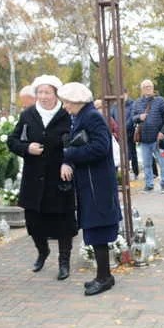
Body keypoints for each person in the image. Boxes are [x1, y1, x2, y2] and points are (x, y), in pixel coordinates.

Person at [7, 74, 76, 281]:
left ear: (56, 94)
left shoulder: (66, 115)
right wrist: (26, 148)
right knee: (34, 222)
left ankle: (64, 261)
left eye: (47, 92)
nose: (43, 96)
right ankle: (42, 250)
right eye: (39, 92)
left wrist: (68, 162)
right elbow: (12, 140)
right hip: (34, 178)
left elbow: (76, 143)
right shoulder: (29, 114)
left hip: (59, 177)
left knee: (63, 223)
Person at [58, 82, 122, 296]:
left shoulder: (91, 117)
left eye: (66, 102)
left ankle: (104, 277)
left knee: (98, 229)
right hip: (92, 183)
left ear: (76, 101)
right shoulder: (84, 116)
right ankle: (104, 275)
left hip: (98, 184)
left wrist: (69, 154)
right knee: (95, 229)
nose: (65, 106)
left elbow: (101, 147)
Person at [131, 79, 164, 193]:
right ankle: (149, 185)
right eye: (145, 87)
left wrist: (163, 132)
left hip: (159, 139)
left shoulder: (160, 101)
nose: (148, 89)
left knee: (163, 162)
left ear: (153, 88)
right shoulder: (137, 102)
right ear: (142, 89)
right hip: (144, 139)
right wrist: (139, 117)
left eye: (150, 86)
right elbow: (132, 118)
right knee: (146, 164)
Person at [111, 89, 138, 180]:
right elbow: (112, 117)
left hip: (129, 133)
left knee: (131, 153)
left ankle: (135, 172)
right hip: (118, 135)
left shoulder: (132, 104)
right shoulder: (114, 106)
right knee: (120, 154)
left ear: (126, 94)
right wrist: (116, 129)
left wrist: (123, 128)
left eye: (123, 94)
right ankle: (123, 174)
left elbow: (132, 118)